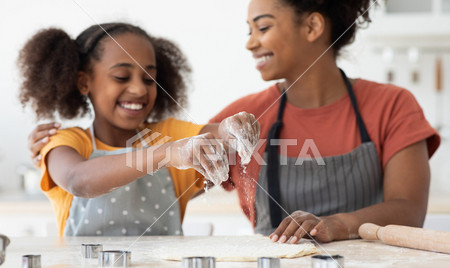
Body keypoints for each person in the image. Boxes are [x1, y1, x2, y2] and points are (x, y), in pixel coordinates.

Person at [29, 0, 440, 244]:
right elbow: (83, 178)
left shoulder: (390, 104)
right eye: (122, 76)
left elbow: (409, 209)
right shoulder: (80, 143)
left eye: (262, 27)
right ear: (82, 81)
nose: (249, 41)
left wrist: (340, 225)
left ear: (314, 26)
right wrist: (202, 141)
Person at [19, 22, 259, 237]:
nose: (139, 89)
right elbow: (78, 180)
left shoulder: (168, 133)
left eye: (149, 79)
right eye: (122, 77)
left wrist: (230, 129)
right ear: (84, 82)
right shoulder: (66, 141)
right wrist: (168, 153)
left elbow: (216, 135)